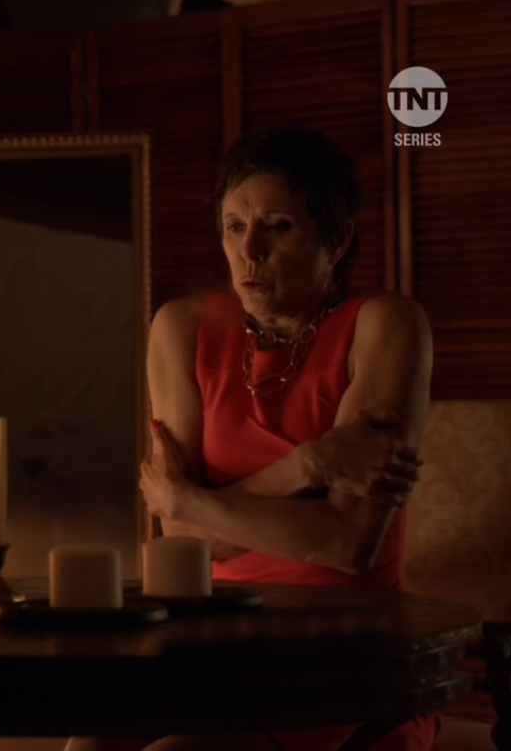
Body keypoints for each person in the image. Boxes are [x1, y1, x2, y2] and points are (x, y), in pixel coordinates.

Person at [70, 128, 435, 751]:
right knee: (88, 745)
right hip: (211, 641)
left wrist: (193, 502)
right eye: (234, 227)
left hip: (344, 660)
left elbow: (348, 544)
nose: (249, 251)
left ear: (337, 240)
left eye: (278, 227)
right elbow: (180, 541)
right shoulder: (181, 327)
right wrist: (307, 466)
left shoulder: (385, 324)